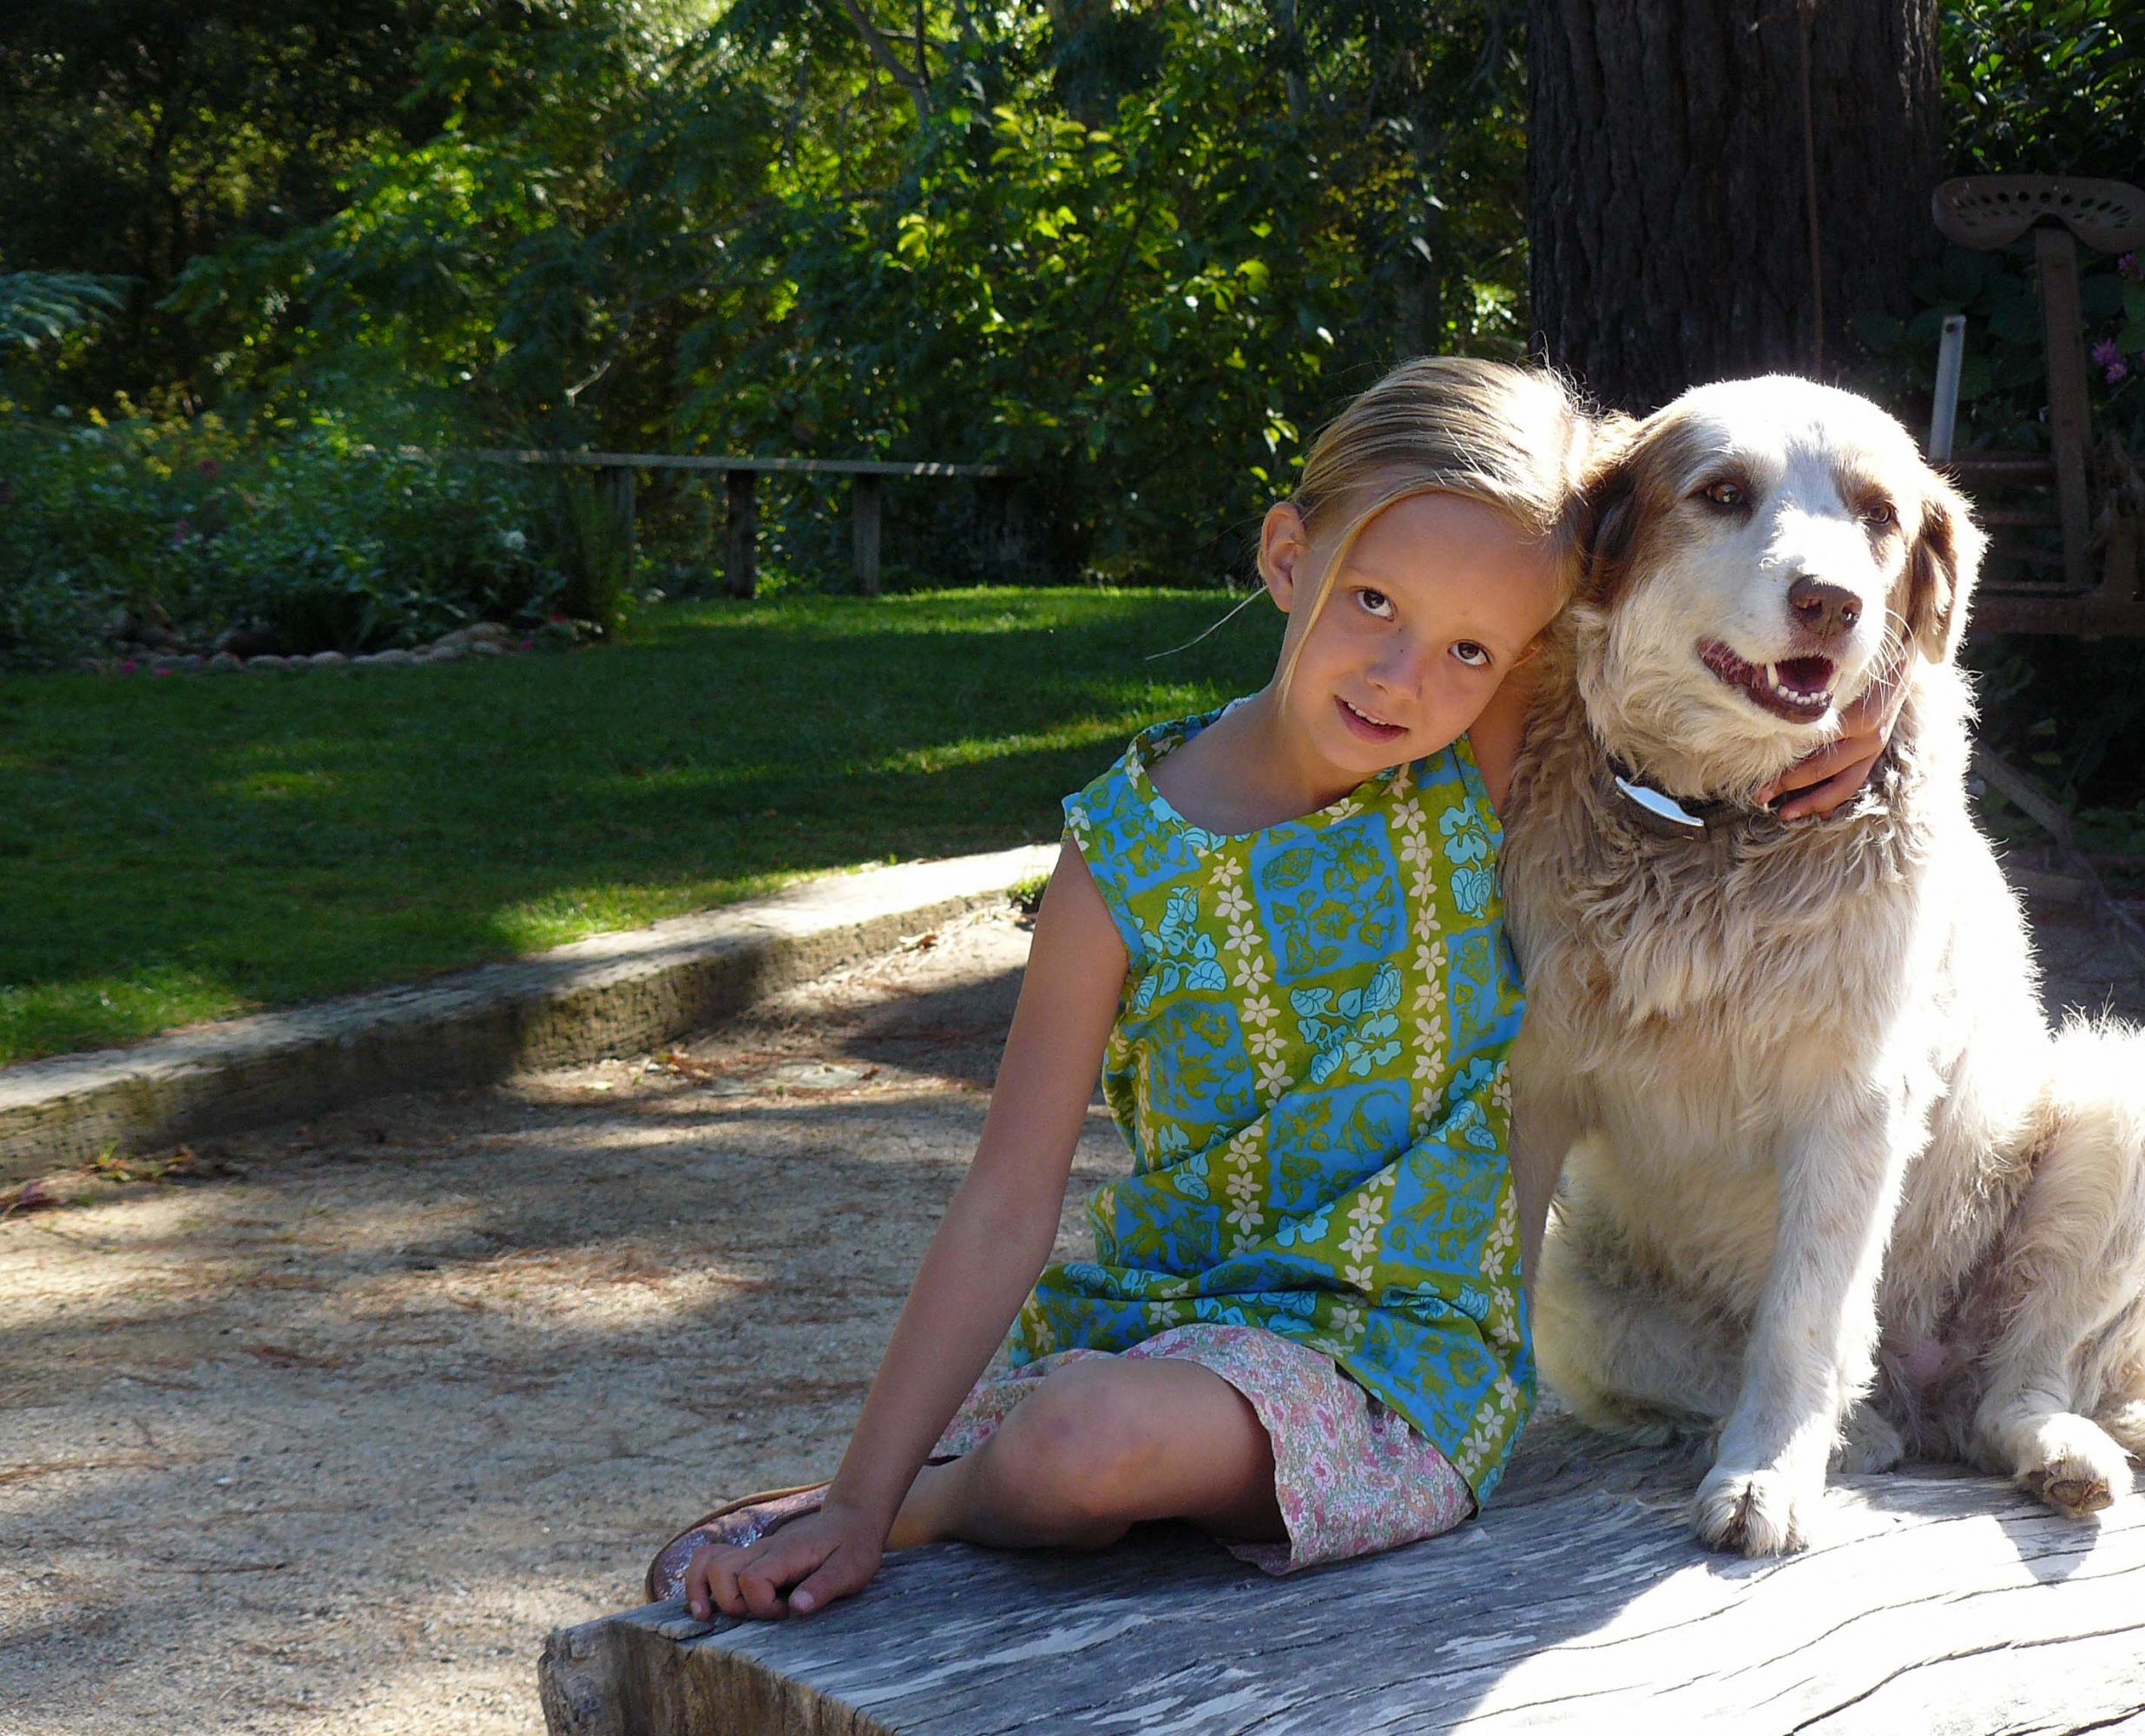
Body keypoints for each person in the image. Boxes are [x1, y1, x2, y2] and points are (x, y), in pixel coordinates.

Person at [651, 358, 1900, 1620]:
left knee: (1078, 1447)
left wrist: (1871, 699)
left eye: (1473, 647)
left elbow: (1716, 619)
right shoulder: (1120, 864)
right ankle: (885, 1489)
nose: (1404, 678)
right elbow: (1003, 1205)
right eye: (1371, 602)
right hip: (1164, 1313)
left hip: (1396, 1361)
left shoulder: (1481, 758)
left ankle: (942, 1501)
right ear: (1287, 556)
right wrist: (849, 1496)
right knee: (1080, 1418)